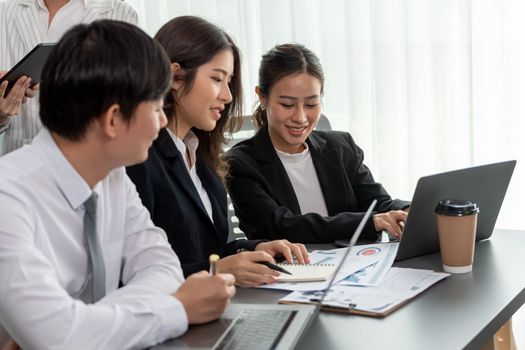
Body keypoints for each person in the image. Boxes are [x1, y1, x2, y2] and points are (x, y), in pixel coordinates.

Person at [0, 20, 235, 349]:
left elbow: (162, 266)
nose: (164, 120)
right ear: (112, 119)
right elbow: (59, 337)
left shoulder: (113, 178)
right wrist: (177, 308)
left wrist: (83, 324)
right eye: (155, 108)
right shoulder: (7, 196)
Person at [126, 16, 309, 288]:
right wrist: (217, 271)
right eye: (217, 79)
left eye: (229, 82)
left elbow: (206, 250)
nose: (228, 95)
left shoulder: (199, 155)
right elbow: (131, 277)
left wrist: (255, 248)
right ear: (175, 76)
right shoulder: (138, 158)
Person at [225, 43, 411, 244]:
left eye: (311, 104)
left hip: (355, 266)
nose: (301, 117)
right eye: (287, 105)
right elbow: (279, 227)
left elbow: (377, 203)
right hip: (291, 271)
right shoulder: (240, 163)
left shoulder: (341, 147)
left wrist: (407, 211)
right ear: (262, 97)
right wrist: (368, 222)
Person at [0, 0, 138, 154]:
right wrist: (1, 115)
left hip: (91, 160)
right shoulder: (4, 12)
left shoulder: (120, 13)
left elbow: (129, 101)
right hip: (19, 161)